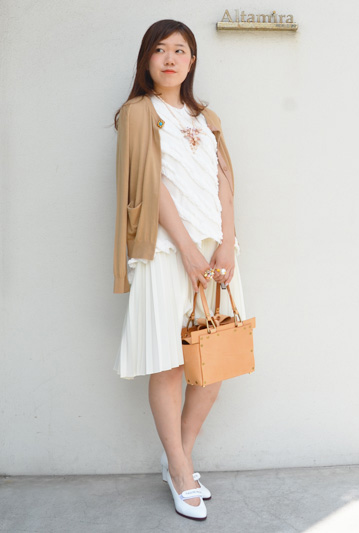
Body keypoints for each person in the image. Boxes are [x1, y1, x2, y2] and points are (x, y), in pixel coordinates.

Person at [112, 19, 247, 521]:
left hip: (217, 255)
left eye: (180, 50)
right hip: (167, 253)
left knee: (215, 359)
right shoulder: (138, 112)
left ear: (192, 62)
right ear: (146, 58)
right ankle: (181, 470)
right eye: (160, 49)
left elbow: (224, 182)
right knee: (170, 363)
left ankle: (179, 462)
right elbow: (150, 186)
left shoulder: (206, 117)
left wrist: (227, 244)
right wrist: (188, 250)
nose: (170, 58)